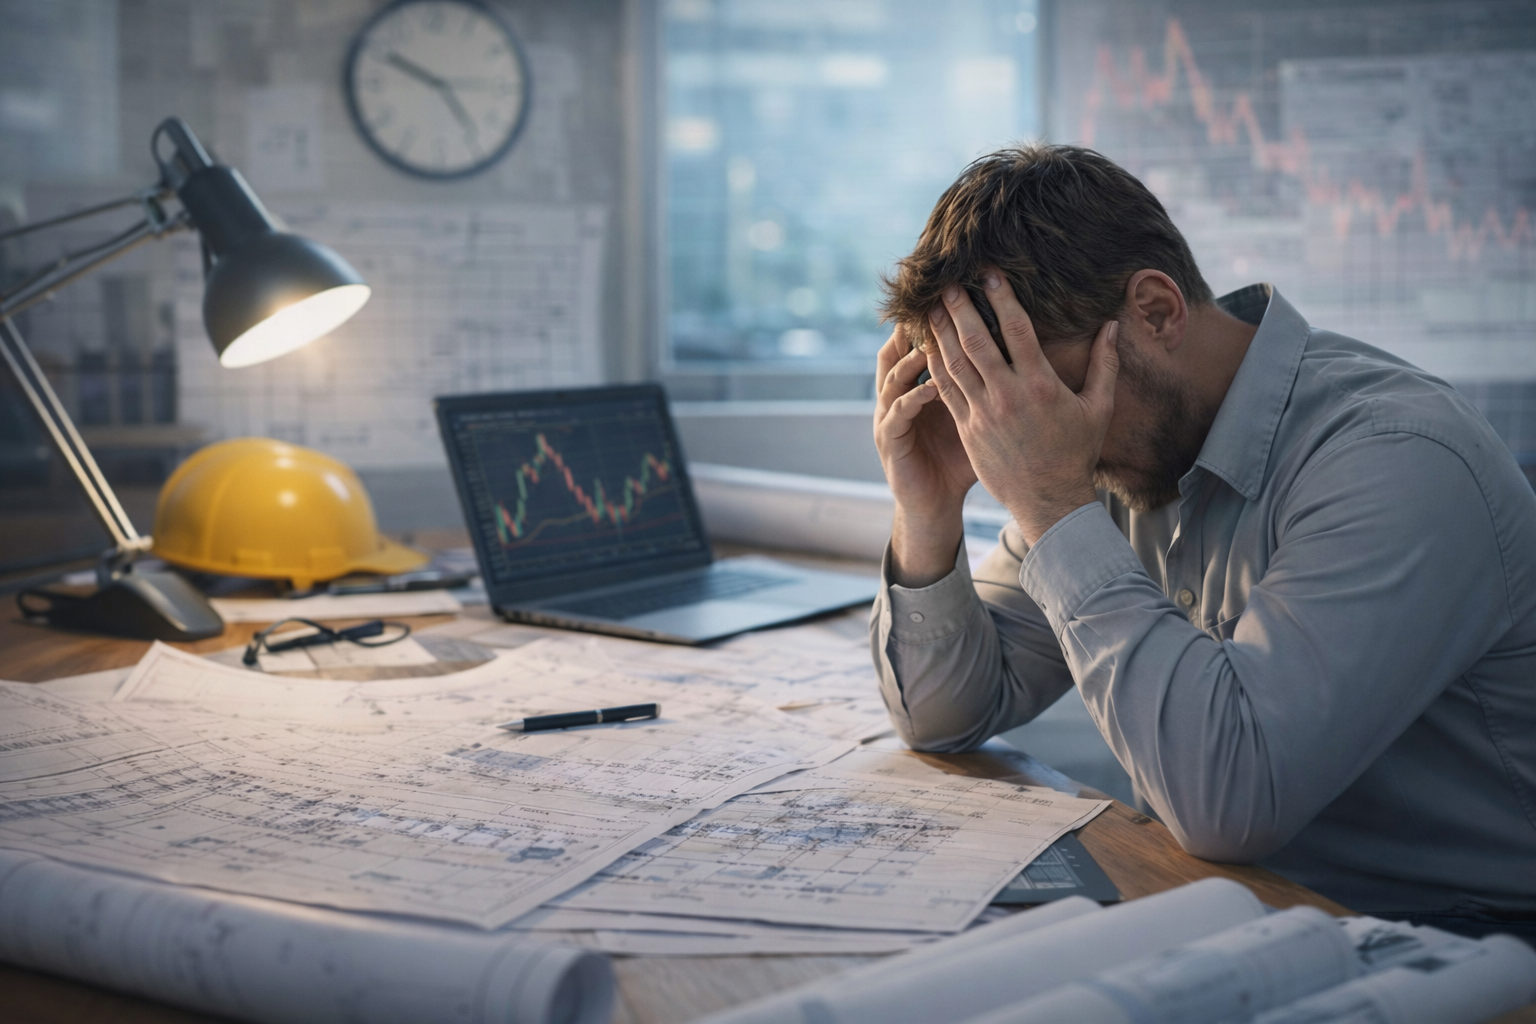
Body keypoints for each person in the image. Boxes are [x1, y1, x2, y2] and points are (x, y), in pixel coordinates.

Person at [870, 143, 1536, 937]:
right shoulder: (1119, 449)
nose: (1018, 428)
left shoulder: (1400, 459)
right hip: (1240, 912)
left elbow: (1228, 801)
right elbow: (948, 712)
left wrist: (1050, 502)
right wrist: (930, 507)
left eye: (1034, 393)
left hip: (1462, 938)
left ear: (1156, 312)